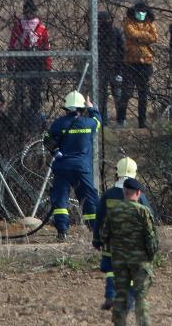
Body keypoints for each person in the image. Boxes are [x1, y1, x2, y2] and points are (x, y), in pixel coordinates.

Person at [92, 157, 153, 311]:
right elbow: (150, 219)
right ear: (135, 173)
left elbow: (99, 218)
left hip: (110, 244)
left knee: (110, 270)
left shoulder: (108, 195)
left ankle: (110, 295)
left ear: (117, 172)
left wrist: (97, 239)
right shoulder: (140, 196)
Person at [100, 177, 158, 326]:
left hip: (119, 260)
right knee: (140, 296)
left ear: (124, 192)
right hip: (140, 261)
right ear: (138, 193)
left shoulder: (113, 211)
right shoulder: (143, 212)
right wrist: (151, 256)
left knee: (121, 295)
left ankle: (119, 323)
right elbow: (151, 238)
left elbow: (104, 235)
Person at [44, 91, 101, 241]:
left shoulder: (58, 124)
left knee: (61, 198)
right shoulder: (89, 123)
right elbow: (98, 121)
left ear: (67, 108)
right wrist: (92, 108)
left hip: (62, 166)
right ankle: (94, 229)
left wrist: (55, 151)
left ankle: (62, 231)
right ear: (81, 108)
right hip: (82, 167)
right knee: (88, 197)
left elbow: (47, 139)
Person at [117, 1, 158, 129]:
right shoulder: (128, 21)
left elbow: (155, 37)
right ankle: (121, 118)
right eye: (139, 12)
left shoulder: (149, 22)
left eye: (143, 12)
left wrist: (139, 37)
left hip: (146, 62)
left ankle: (142, 121)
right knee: (127, 92)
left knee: (143, 93)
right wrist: (145, 36)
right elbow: (131, 33)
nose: (141, 14)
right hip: (130, 61)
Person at [9, 0, 50, 120]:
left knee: (35, 93)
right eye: (26, 12)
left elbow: (46, 48)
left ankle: (34, 117)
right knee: (19, 92)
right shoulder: (18, 27)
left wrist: (47, 66)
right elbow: (12, 45)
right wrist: (10, 61)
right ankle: (19, 118)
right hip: (21, 61)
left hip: (37, 62)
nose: (29, 15)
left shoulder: (41, 28)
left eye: (31, 12)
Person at [97, 11, 125, 126]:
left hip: (115, 68)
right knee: (102, 96)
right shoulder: (97, 33)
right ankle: (103, 121)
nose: (101, 23)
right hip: (102, 67)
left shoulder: (116, 32)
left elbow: (122, 50)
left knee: (117, 94)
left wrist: (120, 67)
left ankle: (121, 119)